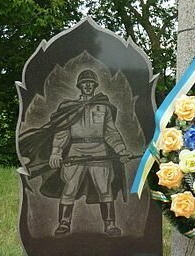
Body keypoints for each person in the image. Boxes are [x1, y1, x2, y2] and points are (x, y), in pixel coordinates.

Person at [19, 69, 129, 237]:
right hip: (75, 151)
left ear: (95, 85)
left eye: (90, 83)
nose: (87, 86)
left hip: (99, 150)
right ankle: (64, 223)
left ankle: (110, 225)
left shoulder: (103, 107)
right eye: (84, 83)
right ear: (79, 86)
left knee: (104, 188)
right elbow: (62, 132)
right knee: (69, 188)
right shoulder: (69, 108)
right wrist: (56, 152)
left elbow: (110, 132)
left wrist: (121, 149)